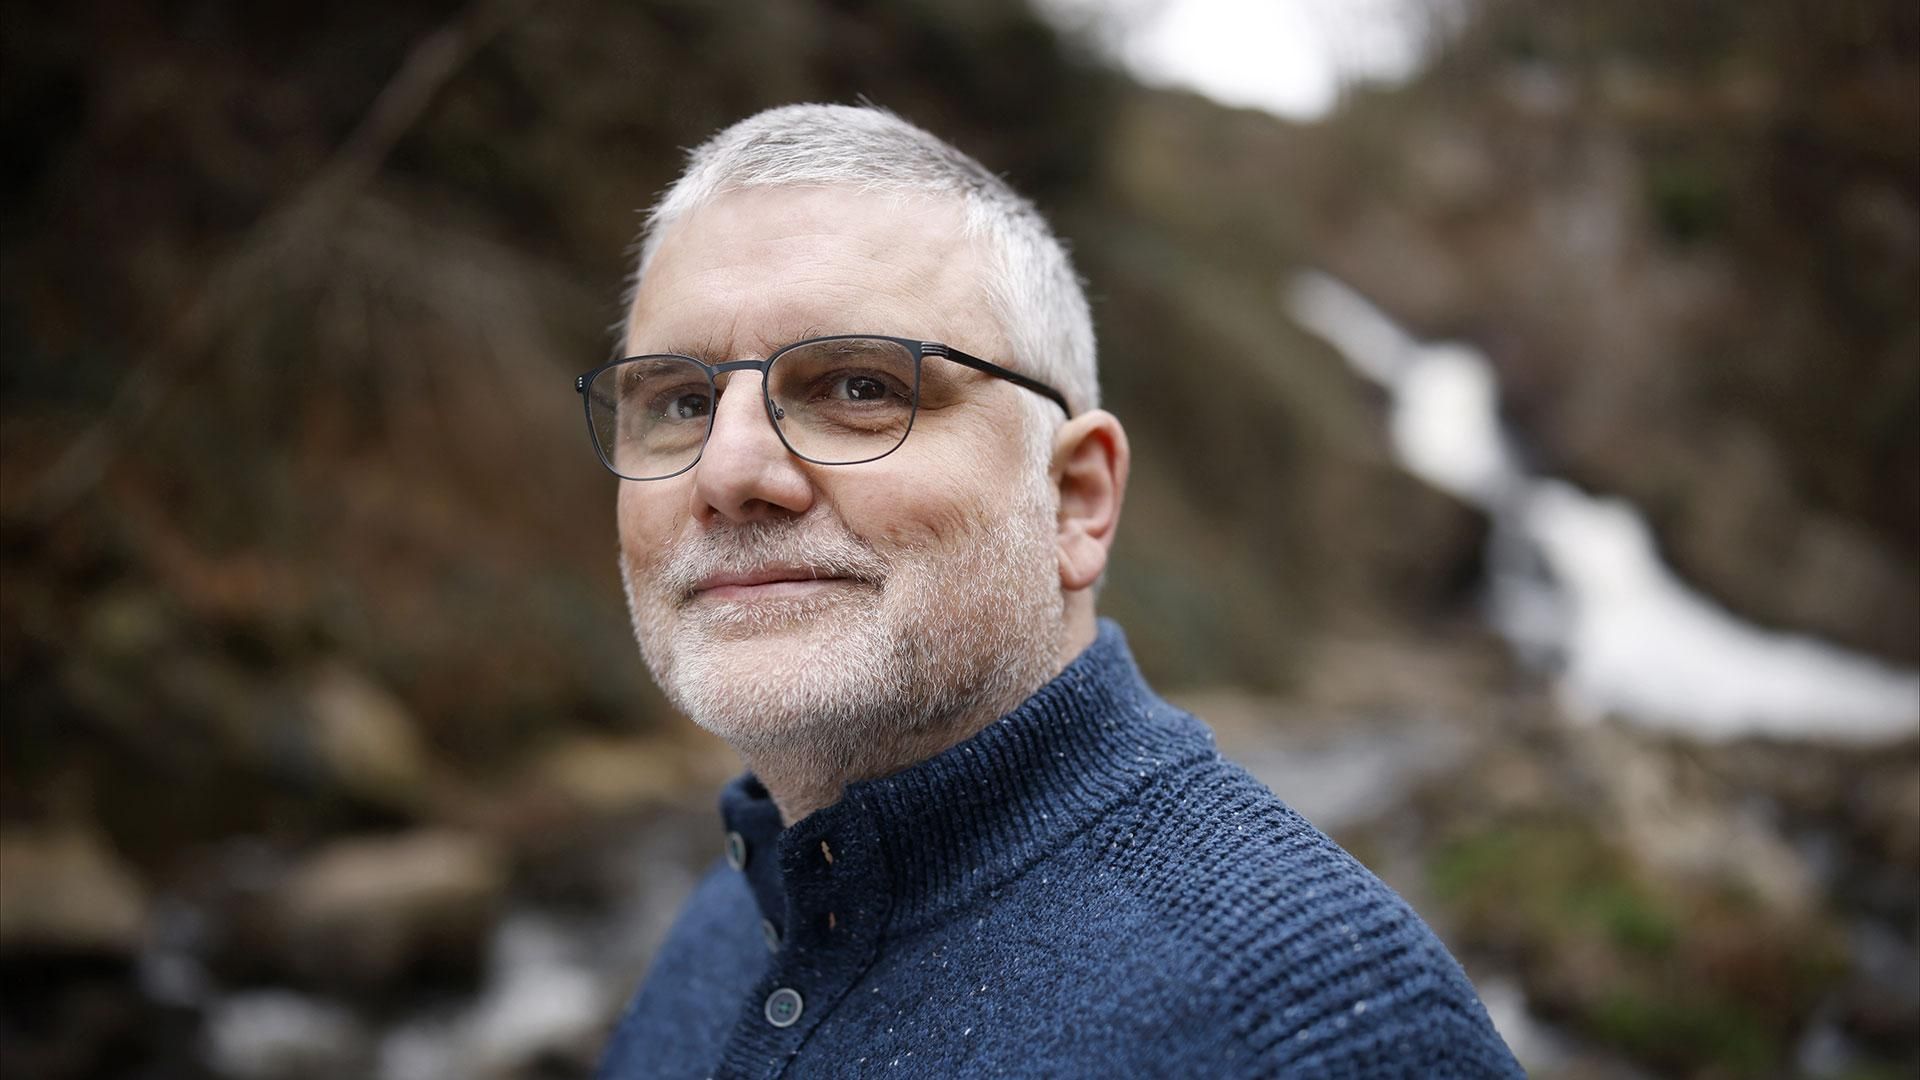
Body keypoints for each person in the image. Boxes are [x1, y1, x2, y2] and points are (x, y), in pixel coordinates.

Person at [585, 103, 1521, 1078]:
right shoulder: (728, 921)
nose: (726, 472)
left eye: (860, 388)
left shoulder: (1317, 1028)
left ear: (1074, 499)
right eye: (681, 403)